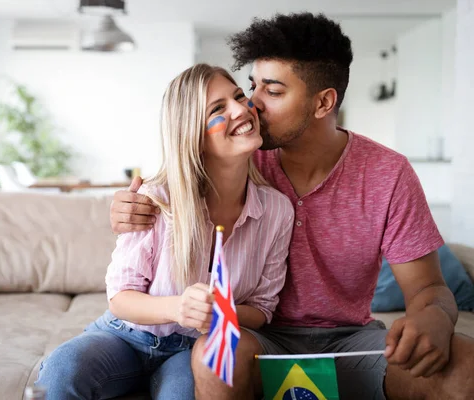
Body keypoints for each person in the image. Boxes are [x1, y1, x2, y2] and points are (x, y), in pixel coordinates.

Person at [110, 13, 474, 400]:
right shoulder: (241, 156)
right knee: (217, 353)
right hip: (258, 340)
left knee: (464, 358)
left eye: (273, 91)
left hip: (351, 344)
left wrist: (434, 315)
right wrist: (126, 207)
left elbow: (429, 288)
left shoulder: (388, 172)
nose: (251, 103)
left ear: (323, 103)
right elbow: (176, 187)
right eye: (252, 86)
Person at [36, 64, 294, 400]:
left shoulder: (277, 211)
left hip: (191, 351)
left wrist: (218, 311)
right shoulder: (157, 199)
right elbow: (120, 298)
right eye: (218, 109)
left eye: (238, 97)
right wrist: (178, 308)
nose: (241, 109)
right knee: (61, 370)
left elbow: (261, 310)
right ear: (192, 134)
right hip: (125, 335)